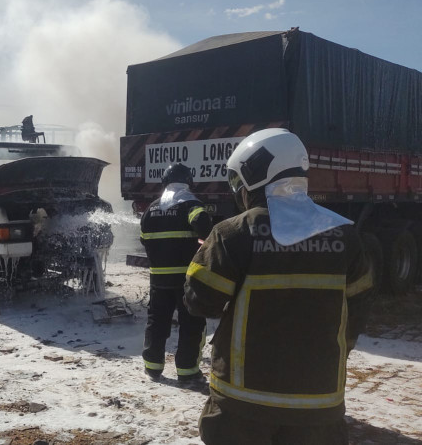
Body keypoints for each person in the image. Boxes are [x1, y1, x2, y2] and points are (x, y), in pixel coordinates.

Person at [183, 129, 374, 444]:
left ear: (256, 175)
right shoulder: (347, 236)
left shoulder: (232, 234)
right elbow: (357, 310)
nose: (239, 192)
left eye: (238, 182)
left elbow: (199, 301)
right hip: (318, 406)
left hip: (242, 406)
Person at [140, 162, 212, 384]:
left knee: (157, 322)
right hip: (185, 281)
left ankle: (152, 367)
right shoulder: (190, 204)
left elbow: (144, 238)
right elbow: (204, 224)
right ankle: (187, 371)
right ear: (188, 182)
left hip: (158, 280)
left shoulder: (151, 209)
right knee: (191, 324)